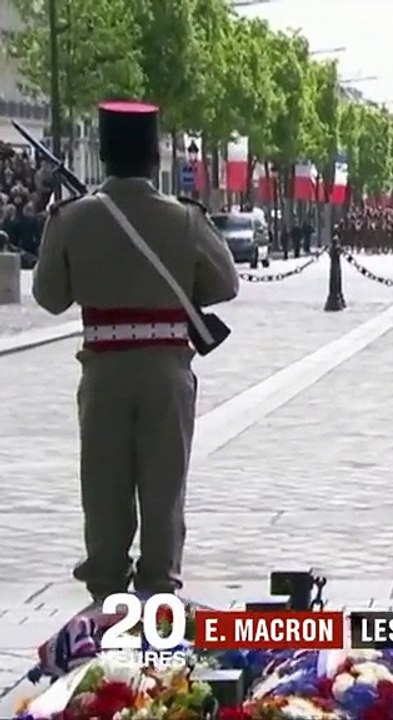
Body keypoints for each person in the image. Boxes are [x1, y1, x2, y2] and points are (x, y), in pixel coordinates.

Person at [31, 100, 239, 602]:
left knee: (104, 490)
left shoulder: (72, 218)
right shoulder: (184, 219)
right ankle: (158, 596)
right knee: (164, 491)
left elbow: (49, 297)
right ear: (154, 157)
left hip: (103, 370)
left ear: (103, 155)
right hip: (167, 369)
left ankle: (106, 595)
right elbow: (225, 282)